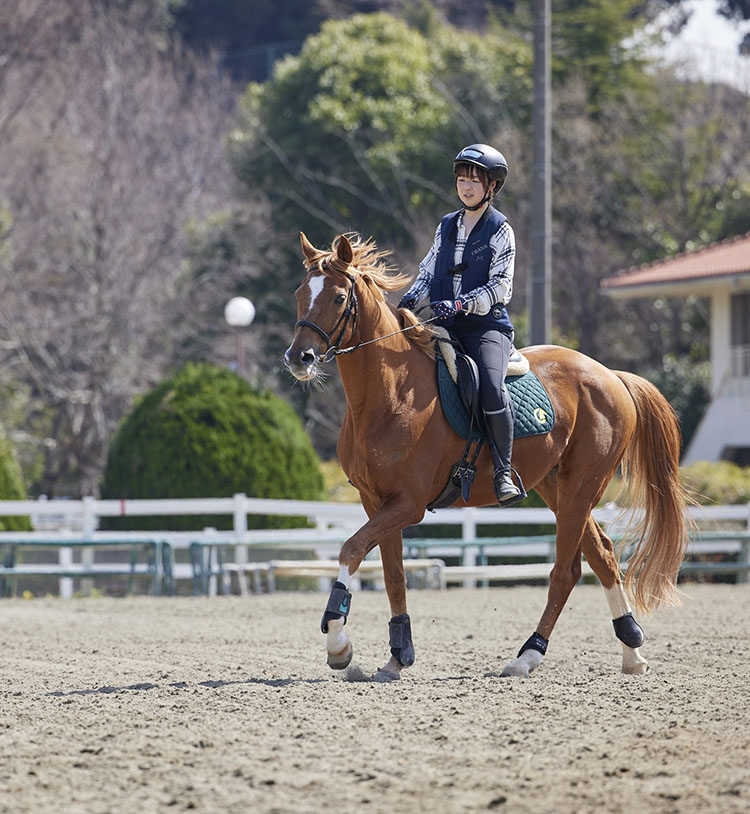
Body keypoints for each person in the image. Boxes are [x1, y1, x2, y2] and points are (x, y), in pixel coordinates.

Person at [398, 143, 522, 505]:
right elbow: (427, 270)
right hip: (443, 324)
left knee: (491, 389)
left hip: (485, 328)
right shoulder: (446, 225)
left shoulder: (501, 230)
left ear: (491, 187)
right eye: (462, 179)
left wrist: (463, 303)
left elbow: (502, 287)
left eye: (475, 180)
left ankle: (503, 472)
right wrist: (410, 298)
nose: (466, 186)